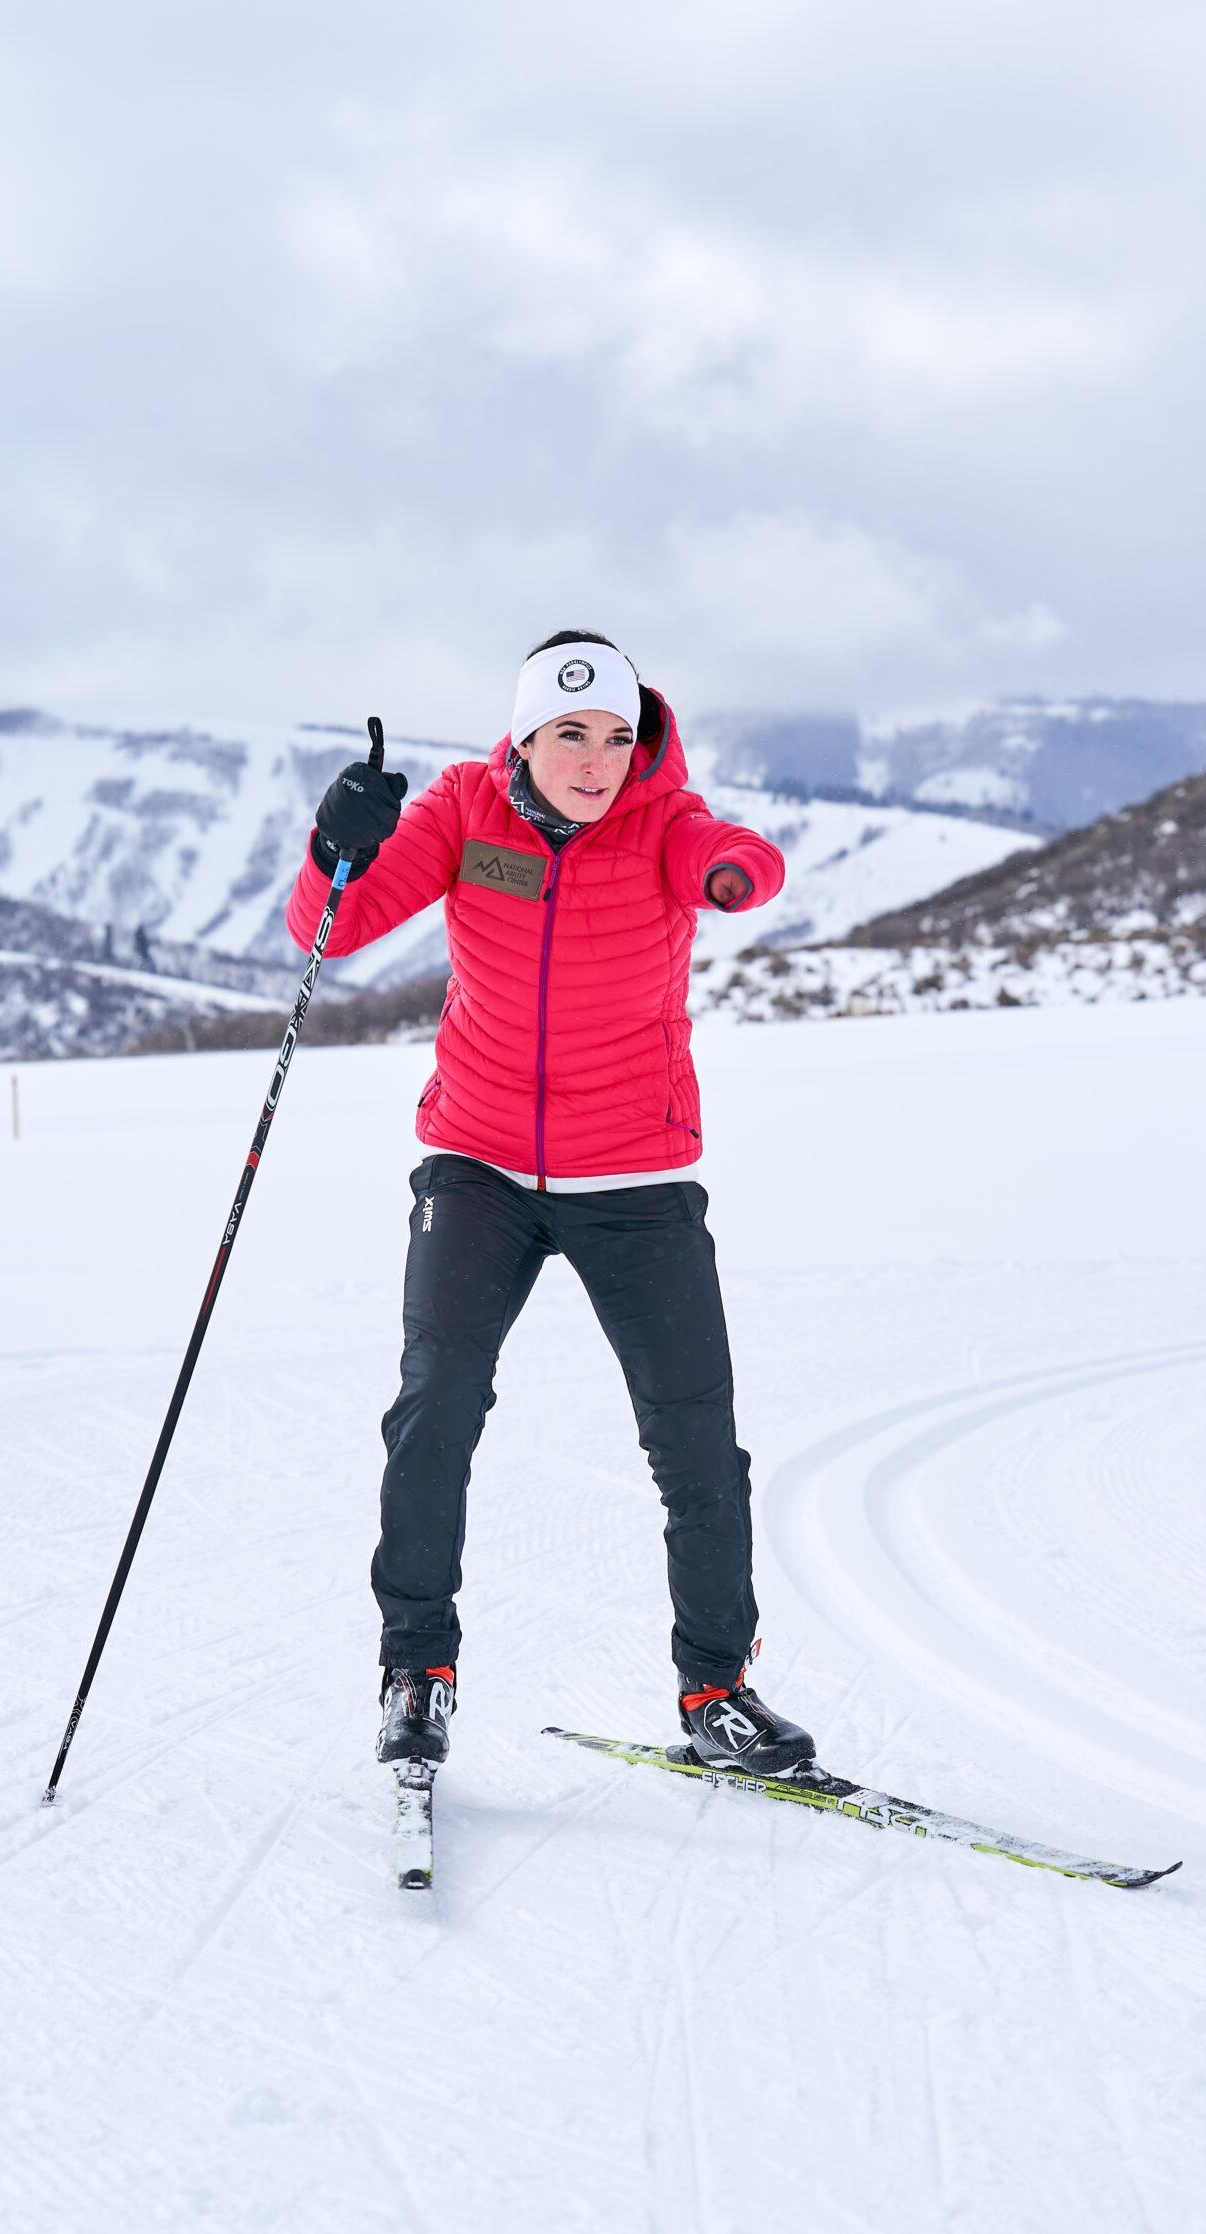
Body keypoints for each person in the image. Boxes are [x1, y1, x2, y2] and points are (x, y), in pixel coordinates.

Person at [285, 631, 818, 1781]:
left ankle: (716, 1689)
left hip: (633, 1175)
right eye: (569, 733)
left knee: (695, 1446)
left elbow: (740, 858)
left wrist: (737, 877)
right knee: (436, 1407)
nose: (595, 759)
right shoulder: (465, 812)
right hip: (479, 1166)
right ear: (525, 735)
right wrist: (339, 843)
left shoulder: (668, 823)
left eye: (617, 736)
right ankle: (414, 1674)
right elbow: (325, 926)